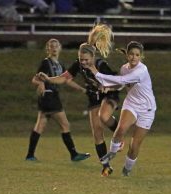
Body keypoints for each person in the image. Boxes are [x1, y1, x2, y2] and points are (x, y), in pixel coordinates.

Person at [38, 25, 122, 177]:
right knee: (97, 132)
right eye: (81, 59)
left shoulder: (101, 65)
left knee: (104, 117)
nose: (83, 62)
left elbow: (118, 82)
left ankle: (119, 138)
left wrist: (107, 87)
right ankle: (105, 166)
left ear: (93, 58)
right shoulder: (79, 64)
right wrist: (48, 78)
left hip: (110, 95)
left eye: (86, 60)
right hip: (94, 96)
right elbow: (64, 78)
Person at [88, 41, 157, 177]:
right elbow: (120, 84)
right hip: (131, 104)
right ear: (127, 55)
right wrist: (109, 87)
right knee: (120, 129)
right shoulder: (125, 68)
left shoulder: (141, 70)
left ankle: (127, 169)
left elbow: (122, 80)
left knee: (134, 145)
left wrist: (97, 74)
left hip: (147, 110)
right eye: (131, 54)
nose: (133, 57)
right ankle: (112, 153)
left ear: (141, 56)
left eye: (137, 55)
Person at [25, 38, 90, 162]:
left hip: (50, 97)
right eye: (51, 46)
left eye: (56, 45)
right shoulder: (46, 63)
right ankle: (74, 155)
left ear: (60, 47)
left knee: (40, 126)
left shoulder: (60, 65)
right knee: (65, 124)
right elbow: (35, 79)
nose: (54, 48)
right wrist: (40, 84)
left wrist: (82, 89)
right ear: (48, 49)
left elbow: (67, 80)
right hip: (49, 96)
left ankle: (30, 155)